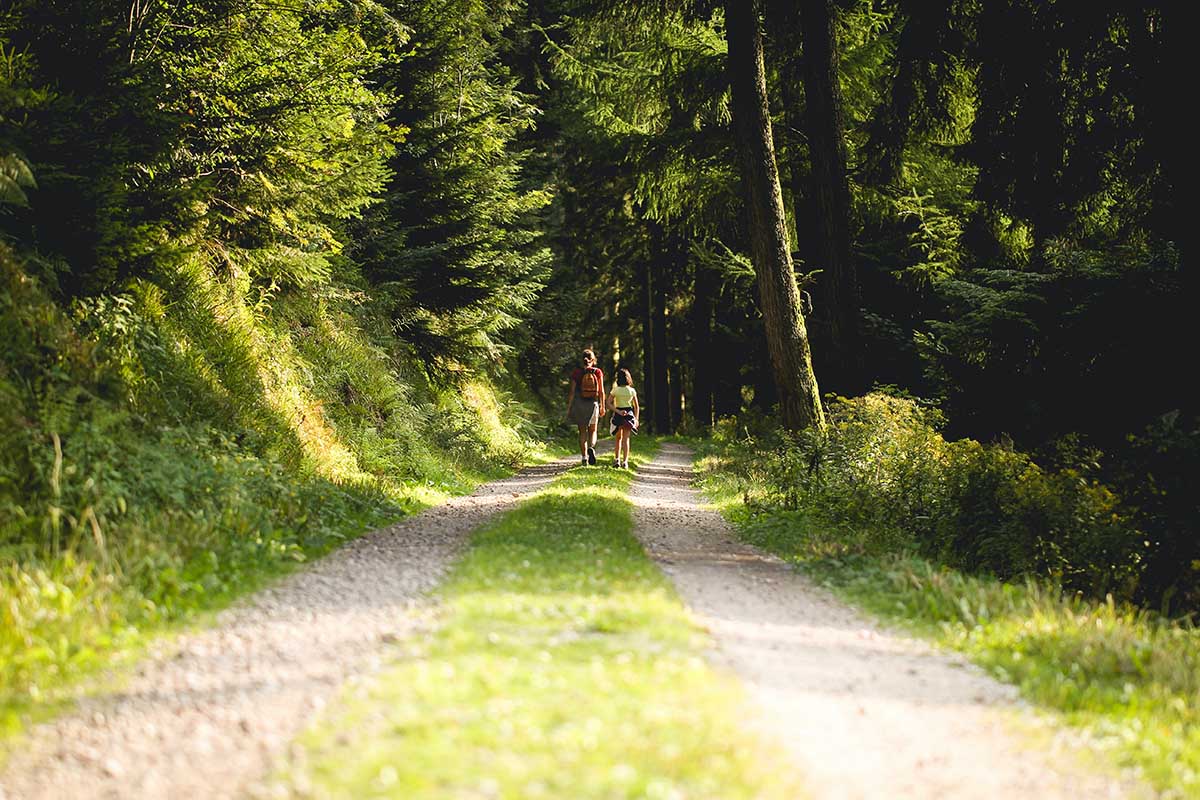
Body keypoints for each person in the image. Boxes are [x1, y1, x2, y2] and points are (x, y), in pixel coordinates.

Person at [566, 349, 606, 465]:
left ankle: (584, 458)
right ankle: (591, 447)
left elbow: (572, 392)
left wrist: (569, 408)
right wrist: (602, 406)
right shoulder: (597, 372)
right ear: (593, 360)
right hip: (593, 404)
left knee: (582, 432)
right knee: (593, 430)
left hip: (579, 404)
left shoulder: (576, 373)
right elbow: (601, 391)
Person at [608, 368, 639, 468]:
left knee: (618, 438)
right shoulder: (632, 391)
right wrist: (636, 418)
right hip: (629, 415)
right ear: (628, 378)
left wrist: (618, 411)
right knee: (626, 439)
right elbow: (636, 406)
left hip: (618, 415)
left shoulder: (615, 390)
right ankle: (625, 462)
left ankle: (617, 459)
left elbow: (608, 403)